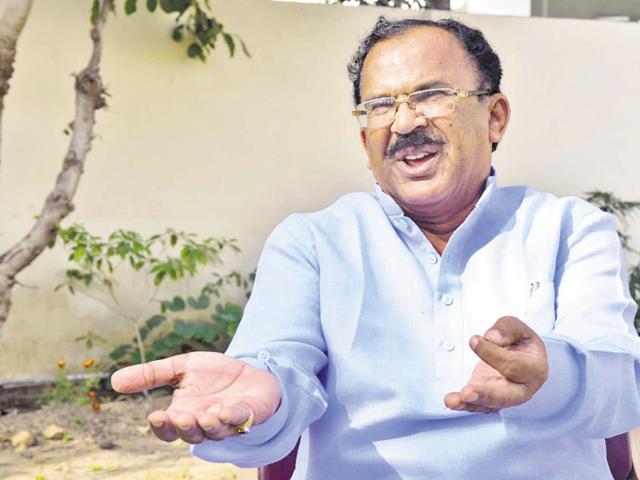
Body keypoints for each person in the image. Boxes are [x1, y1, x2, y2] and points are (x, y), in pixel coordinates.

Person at [111, 16, 640, 479]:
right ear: (366, 141)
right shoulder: (313, 242)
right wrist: (259, 402)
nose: (404, 123)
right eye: (381, 105)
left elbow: (620, 388)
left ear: (494, 117)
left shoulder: (569, 228)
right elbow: (276, 377)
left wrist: (551, 374)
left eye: (432, 95)